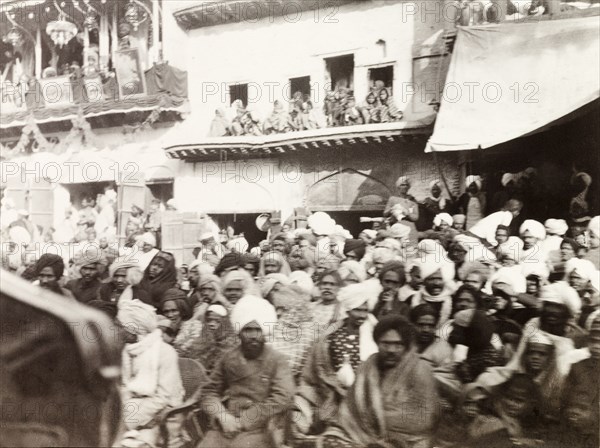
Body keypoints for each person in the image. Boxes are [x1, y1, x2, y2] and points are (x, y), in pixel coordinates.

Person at [319, 316, 438, 448]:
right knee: (330, 440)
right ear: (377, 343)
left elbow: (423, 418)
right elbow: (351, 406)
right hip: (361, 433)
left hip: (405, 439)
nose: (391, 350)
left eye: (398, 344)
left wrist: (377, 416)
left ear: (406, 346)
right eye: (386, 343)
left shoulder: (420, 369)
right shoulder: (368, 366)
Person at [198, 296, 293, 448]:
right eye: (248, 330)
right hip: (227, 424)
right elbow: (209, 391)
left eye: (258, 330)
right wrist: (222, 416)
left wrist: (245, 420)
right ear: (239, 333)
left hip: (260, 427)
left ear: (265, 332)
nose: (254, 335)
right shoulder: (228, 358)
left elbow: (282, 398)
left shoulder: (277, 360)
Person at [295, 282, 379, 438]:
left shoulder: (373, 333)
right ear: (348, 310)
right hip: (328, 390)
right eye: (357, 310)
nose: (361, 315)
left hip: (362, 394)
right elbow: (317, 367)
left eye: (365, 311)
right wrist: (334, 385)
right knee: (300, 414)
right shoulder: (331, 333)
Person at [116, 300, 184, 448]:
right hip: (133, 406)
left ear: (134, 329)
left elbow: (163, 397)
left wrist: (128, 418)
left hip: (163, 412)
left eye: (121, 327)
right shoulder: (128, 350)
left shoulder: (165, 352)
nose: (117, 330)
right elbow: (124, 385)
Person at [558, 311, 599, 448]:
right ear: (588, 341)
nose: (597, 346)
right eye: (594, 340)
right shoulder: (577, 367)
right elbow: (564, 398)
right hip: (575, 426)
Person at [185, 304, 236, 375]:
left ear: (225, 323)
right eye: (209, 320)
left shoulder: (232, 343)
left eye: (217, 321)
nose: (211, 324)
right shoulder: (202, 339)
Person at [159, 288, 203, 358]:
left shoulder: (194, 326)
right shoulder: (163, 328)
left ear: (182, 310)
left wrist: (171, 342)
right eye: (166, 311)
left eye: (174, 310)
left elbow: (193, 350)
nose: (170, 315)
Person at [410, 303, 453, 368]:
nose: (426, 330)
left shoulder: (444, 350)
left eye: (431, 325)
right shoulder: (405, 345)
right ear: (412, 325)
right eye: (421, 325)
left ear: (436, 326)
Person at [384, 176, 419, 245]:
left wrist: (407, 213)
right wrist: (392, 209)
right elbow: (385, 213)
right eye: (402, 185)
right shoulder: (393, 199)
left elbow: (416, 217)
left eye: (406, 185)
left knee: (410, 248)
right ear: (398, 186)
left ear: (408, 187)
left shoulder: (412, 200)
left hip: (409, 227)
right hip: (396, 226)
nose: (405, 187)